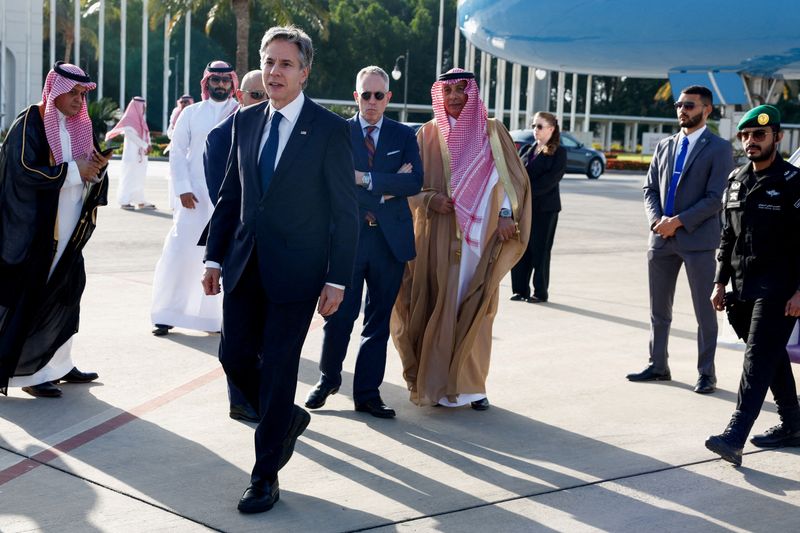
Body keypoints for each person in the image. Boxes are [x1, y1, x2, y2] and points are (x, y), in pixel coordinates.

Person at [202, 26, 358, 514]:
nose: (274, 72)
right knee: (233, 358)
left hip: (298, 271)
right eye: (269, 62)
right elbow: (231, 194)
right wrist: (212, 256)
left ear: (305, 72)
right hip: (244, 265)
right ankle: (284, 418)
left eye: (285, 64)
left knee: (280, 369)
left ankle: (264, 476)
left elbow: (345, 211)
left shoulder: (329, 129)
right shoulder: (245, 123)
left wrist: (337, 278)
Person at [390, 68, 532, 410]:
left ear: (473, 93)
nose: (454, 97)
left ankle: (473, 388)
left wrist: (505, 216)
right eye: (448, 90)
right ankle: (437, 386)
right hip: (437, 239)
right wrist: (429, 200)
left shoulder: (492, 131)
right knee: (437, 305)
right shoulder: (426, 134)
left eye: (461, 89)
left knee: (477, 310)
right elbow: (405, 186)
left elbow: (515, 181)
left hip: (481, 241)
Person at [304, 66, 422, 419]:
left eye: (378, 95)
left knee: (377, 323)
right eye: (365, 95)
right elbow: (333, 184)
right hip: (348, 241)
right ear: (356, 97)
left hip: (390, 243)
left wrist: (364, 179)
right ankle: (328, 380)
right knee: (339, 316)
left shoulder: (404, 136)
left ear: (388, 98)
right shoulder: (339, 132)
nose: (372, 102)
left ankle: (368, 395)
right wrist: (386, 187)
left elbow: (415, 181)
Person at [0, 62, 109, 398]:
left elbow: (86, 167)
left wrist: (96, 171)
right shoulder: (30, 122)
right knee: (33, 295)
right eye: (72, 93)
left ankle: (59, 363)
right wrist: (75, 170)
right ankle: (28, 373)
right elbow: (23, 170)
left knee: (66, 290)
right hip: (38, 231)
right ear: (55, 91)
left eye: (82, 94)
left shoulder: (79, 125)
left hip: (69, 229)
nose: (79, 101)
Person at [705, 105, 800, 466]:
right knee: (771, 356)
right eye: (745, 135)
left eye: (759, 135)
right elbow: (727, 237)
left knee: (757, 359)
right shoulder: (737, 180)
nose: (750, 141)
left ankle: (735, 435)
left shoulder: (793, 182)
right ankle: (793, 423)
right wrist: (719, 283)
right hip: (742, 289)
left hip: (780, 289)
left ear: (777, 137)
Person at [627, 85, 734, 394]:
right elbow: (649, 189)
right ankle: (658, 365)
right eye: (679, 104)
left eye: (689, 105)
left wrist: (679, 221)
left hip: (698, 241)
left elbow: (717, 198)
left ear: (707, 110)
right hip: (660, 239)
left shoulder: (719, 148)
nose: (682, 110)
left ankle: (706, 374)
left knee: (704, 312)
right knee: (658, 310)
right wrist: (656, 221)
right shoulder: (665, 145)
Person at [151, 61, 239, 337]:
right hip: (195, 196)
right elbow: (177, 152)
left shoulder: (239, 112)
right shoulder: (190, 113)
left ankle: (212, 320)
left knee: (217, 257)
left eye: (226, 81)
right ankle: (166, 314)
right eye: (216, 80)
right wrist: (183, 188)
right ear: (207, 83)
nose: (221, 85)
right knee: (180, 251)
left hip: (227, 197)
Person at [202, 69, 267, 423]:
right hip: (237, 246)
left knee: (263, 332)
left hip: (272, 252)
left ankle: (260, 394)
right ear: (240, 98)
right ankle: (239, 398)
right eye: (256, 95)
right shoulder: (220, 136)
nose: (264, 101)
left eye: (267, 95)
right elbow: (222, 198)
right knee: (238, 332)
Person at [510, 111, 567, 303]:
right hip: (524, 208)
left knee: (540, 250)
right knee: (521, 247)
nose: (535, 129)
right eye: (533, 125)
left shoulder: (559, 152)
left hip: (545, 209)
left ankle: (540, 292)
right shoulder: (528, 149)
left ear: (551, 129)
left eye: (540, 126)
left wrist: (526, 194)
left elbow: (551, 181)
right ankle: (520, 290)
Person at [105, 96, 154, 210]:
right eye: (142, 106)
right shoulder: (128, 120)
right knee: (128, 177)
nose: (144, 108)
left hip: (141, 156)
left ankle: (140, 200)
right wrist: (145, 146)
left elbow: (145, 136)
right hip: (131, 156)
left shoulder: (140, 120)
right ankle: (124, 200)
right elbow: (131, 136)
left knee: (139, 178)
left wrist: (147, 147)